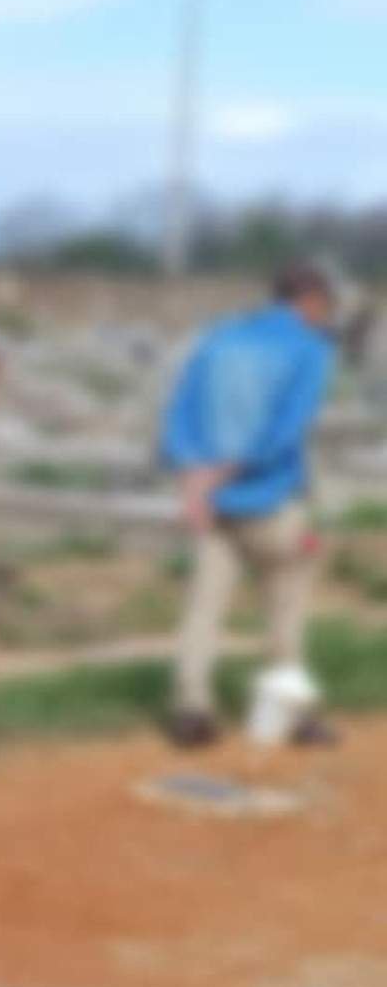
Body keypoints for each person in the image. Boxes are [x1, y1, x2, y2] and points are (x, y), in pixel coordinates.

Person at [160, 255, 362, 748]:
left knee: (203, 608)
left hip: (210, 504)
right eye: (326, 305)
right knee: (285, 608)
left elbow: (178, 416)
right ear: (310, 301)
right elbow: (285, 431)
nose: (328, 314)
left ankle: (192, 710)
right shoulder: (311, 350)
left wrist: (196, 483)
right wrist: (227, 470)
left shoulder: (218, 337)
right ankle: (291, 717)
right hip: (271, 500)